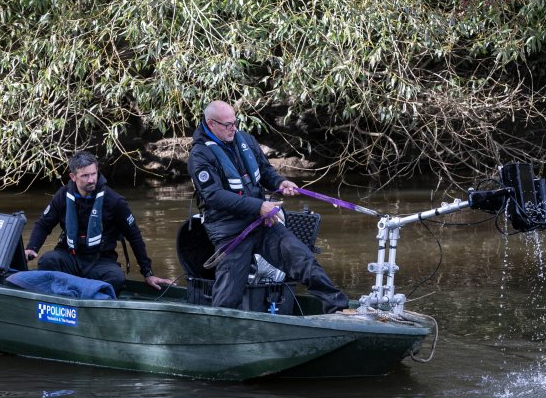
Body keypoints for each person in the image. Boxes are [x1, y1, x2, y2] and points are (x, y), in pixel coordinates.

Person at [187, 100, 351, 313]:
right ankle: (220, 327)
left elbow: (265, 171)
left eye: (235, 122)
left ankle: (338, 307)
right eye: (227, 125)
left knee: (301, 258)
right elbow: (214, 196)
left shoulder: (245, 139)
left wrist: (279, 183)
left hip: (262, 222)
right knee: (229, 294)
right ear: (211, 124)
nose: (233, 128)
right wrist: (258, 206)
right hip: (230, 231)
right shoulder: (199, 156)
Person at [25, 151, 173, 295]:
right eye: (85, 175)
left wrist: (148, 272)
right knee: (47, 261)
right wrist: (31, 247)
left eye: (93, 174)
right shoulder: (62, 196)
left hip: (100, 260)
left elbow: (134, 236)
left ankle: (86, 298)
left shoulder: (115, 201)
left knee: (116, 278)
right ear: (73, 177)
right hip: (70, 255)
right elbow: (43, 224)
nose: (91, 180)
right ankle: (65, 298)